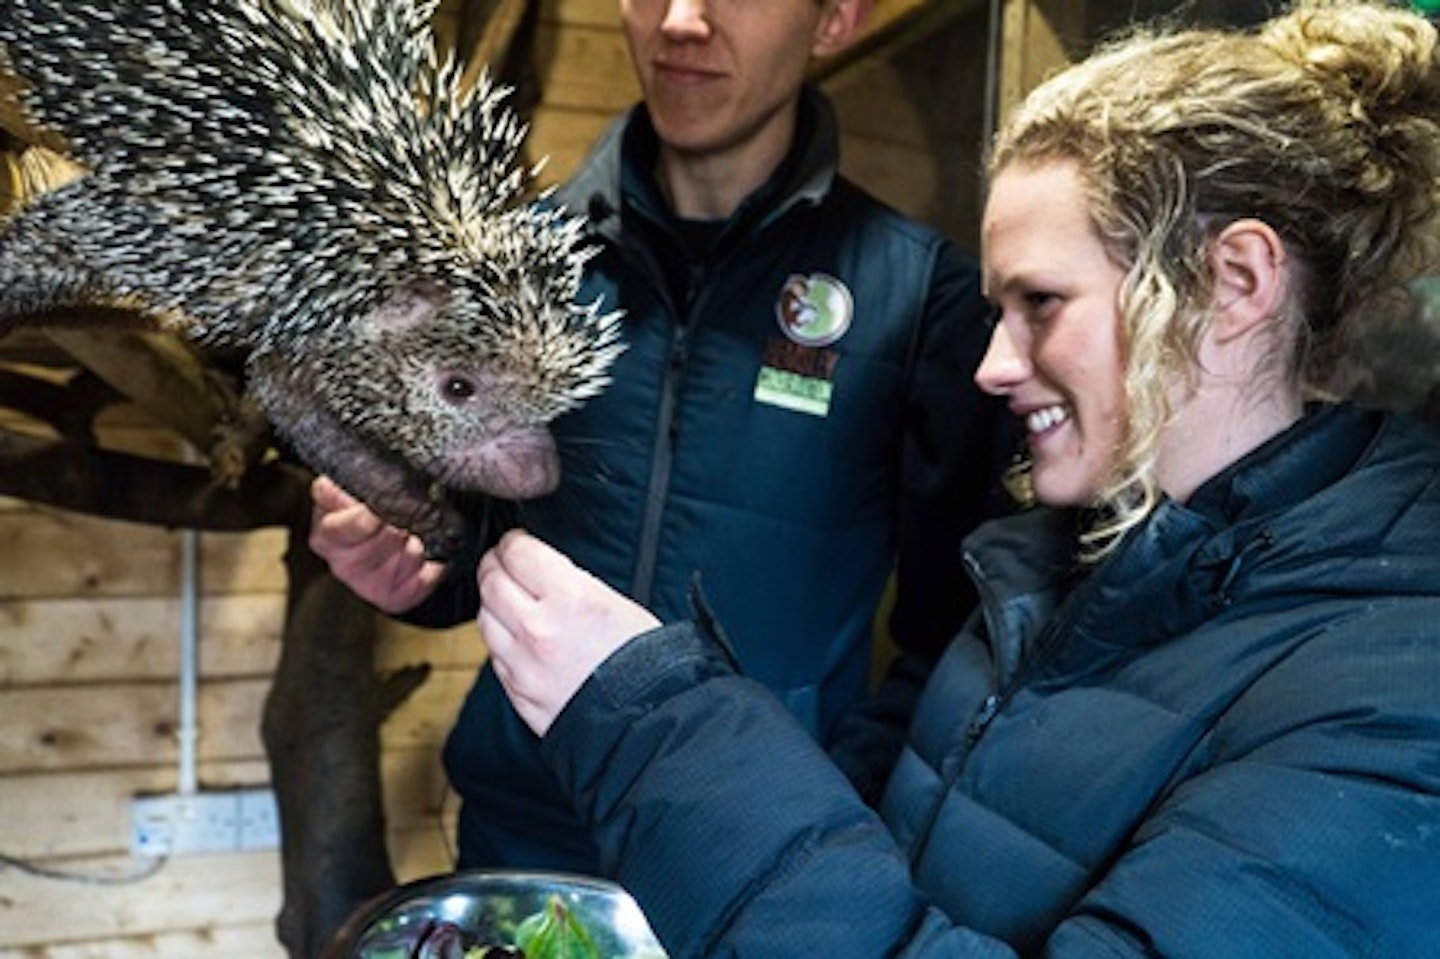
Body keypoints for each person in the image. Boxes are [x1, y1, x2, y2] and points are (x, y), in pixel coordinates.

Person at [472, 1, 1440, 954]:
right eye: (996, 307)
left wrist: (665, 730)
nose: (992, 366)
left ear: (1235, 282)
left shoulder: (1390, 701)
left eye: (1042, 302)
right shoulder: (1049, 569)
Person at [309, 0, 1012, 873]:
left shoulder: (919, 297)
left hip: (760, 861)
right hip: (522, 836)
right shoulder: (509, 267)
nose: (681, 19)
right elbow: (466, 548)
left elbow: (951, 627)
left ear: (835, 19)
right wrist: (408, 565)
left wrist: (839, 799)